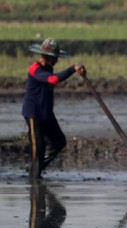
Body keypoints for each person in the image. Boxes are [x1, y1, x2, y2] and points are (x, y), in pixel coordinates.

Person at [22, 38, 86, 179]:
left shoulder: (48, 68)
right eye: (53, 58)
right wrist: (72, 69)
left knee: (59, 142)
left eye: (56, 58)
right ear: (45, 57)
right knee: (38, 148)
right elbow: (53, 80)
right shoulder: (35, 69)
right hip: (34, 114)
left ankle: (37, 169)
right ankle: (34, 182)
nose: (56, 61)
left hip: (46, 113)